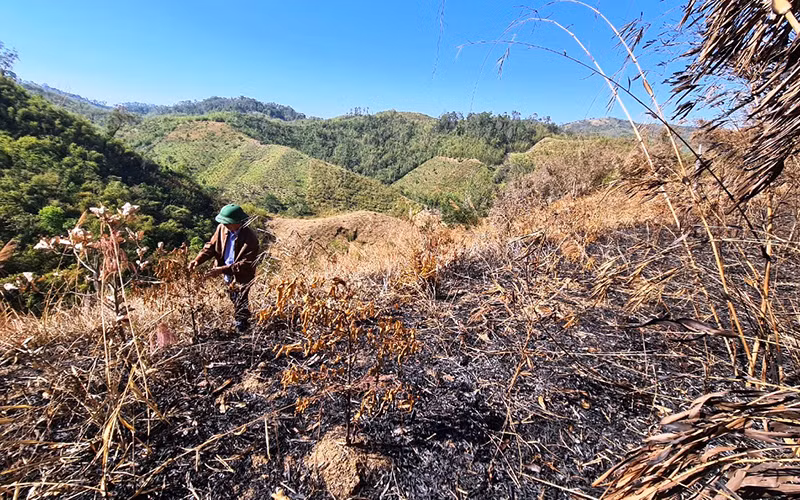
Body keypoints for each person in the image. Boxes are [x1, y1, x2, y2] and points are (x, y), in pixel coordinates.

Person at [188, 204, 259, 333]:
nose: (225, 224)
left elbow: (245, 264)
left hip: (242, 274)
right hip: (226, 271)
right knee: (233, 297)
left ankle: (242, 326)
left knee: (241, 298)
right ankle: (242, 321)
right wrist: (197, 260)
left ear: (237, 222)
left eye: (227, 223)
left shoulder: (250, 238)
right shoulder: (222, 228)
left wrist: (221, 269)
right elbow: (210, 247)